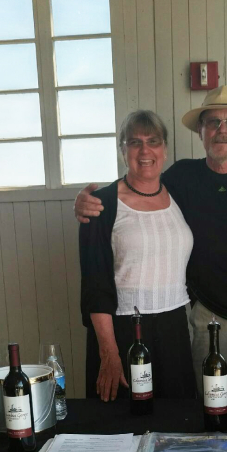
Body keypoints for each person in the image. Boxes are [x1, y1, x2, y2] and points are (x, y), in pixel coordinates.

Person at [76, 85, 227, 400]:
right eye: (213, 122)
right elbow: (139, 182)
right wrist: (88, 201)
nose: (222, 131)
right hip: (205, 322)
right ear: (201, 131)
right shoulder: (181, 178)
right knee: (207, 413)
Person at [79, 110, 197, 402]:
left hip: (174, 328)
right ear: (122, 150)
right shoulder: (101, 204)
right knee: (121, 426)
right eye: (134, 142)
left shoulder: (181, 193)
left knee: (176, 423)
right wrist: (109, 352)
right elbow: (95, 285)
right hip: (121, 332)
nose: (145, 150)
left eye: (153, 141)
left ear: (165, 149)